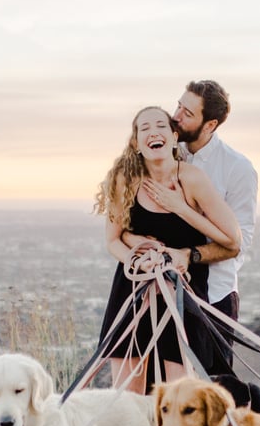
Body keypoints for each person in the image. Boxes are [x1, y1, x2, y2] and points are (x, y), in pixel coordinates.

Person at [95, 106, 241, 394]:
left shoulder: (192, 178)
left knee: (178, 394)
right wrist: (136, 259)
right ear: (136, 143)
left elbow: (232, 240)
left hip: (181, 292)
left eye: (161, 126)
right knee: (128, 395)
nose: (153, 132)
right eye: (144, 128)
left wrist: (181, 208)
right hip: (134, 289)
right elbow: (113, 240)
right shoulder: (124, 180)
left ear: (174, 137)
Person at [171, 79, 258, 375]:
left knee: (213, 387)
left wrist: (191, 255)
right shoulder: (164, 154)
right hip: (163, 291)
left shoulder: (237, 168)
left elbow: (240, 241)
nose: (177, 116)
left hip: (214, 295)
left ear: (210, 125)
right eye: (178, 106)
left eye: (187, 113)